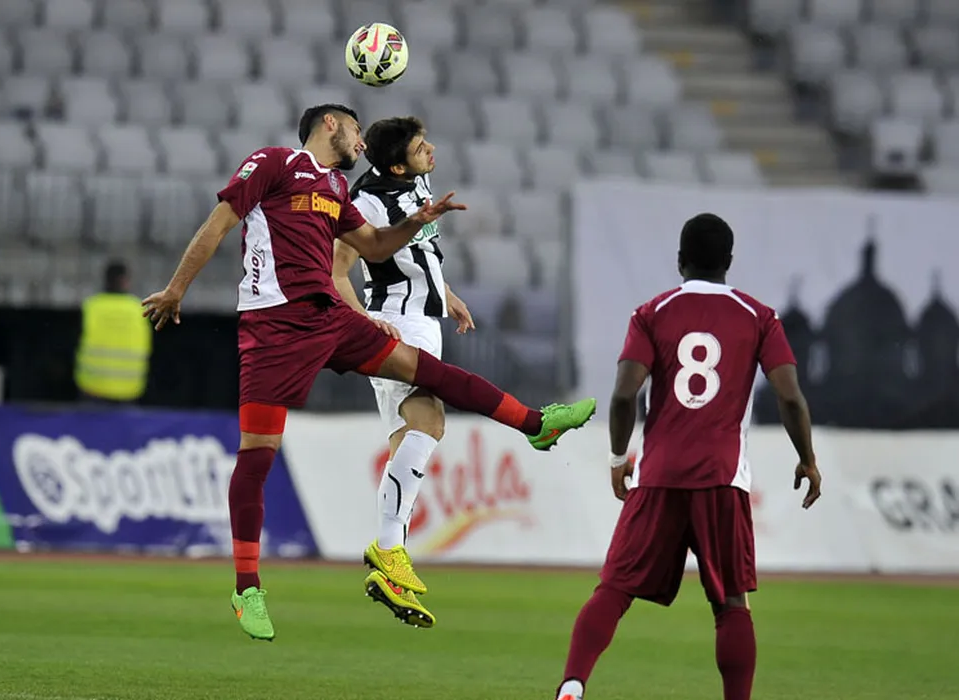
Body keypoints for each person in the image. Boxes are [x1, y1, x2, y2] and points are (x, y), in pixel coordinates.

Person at [140, 104, 597, 642]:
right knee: (257, 457)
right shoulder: (274, 163)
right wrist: (176, 289)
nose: (362, 140)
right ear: (330, 124)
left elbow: (375, 246)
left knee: (431, 373)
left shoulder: (336, 187)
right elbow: (218, 224)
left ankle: (536, 424)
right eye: (356, 129)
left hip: (330, 318)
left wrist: (415, 223)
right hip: (274, 327)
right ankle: (247, 589)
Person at [553, 213, 823, 700]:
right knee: (731, 604)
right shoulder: (758, 316)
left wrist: (617, 459)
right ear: (729, 261)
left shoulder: (651, 313)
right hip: (722, 477)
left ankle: (572, 685)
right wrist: (807, 458)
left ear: (680, 261)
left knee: (614, 588)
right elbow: (790, 396)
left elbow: (623, 395)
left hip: (659, 474)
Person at [331, 116, 473, 629]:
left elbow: (420, 247)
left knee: (406, 441)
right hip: (397, 320)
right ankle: (389, 548)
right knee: (429, 421)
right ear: (396, 166)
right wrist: (364, 321)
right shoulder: (367, 203)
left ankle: (390, 562)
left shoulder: (418, 180)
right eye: (419, 147)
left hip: (423, 317)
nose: (430, 150)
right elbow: (336, 269)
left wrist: (446, 294)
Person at [75, 261, 152, 404]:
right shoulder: (138, 308)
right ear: (126, 281)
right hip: (129, 391)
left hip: (92, 388)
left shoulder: (91, 306)